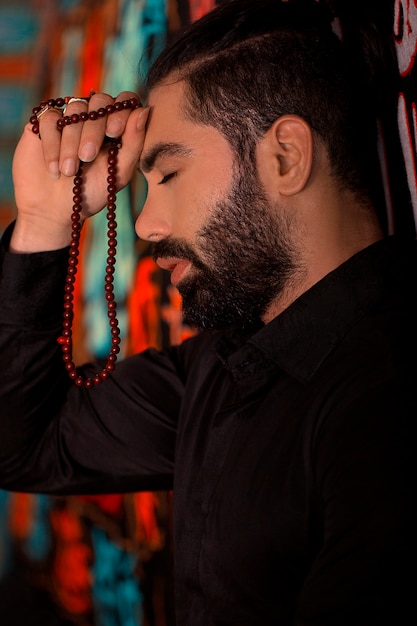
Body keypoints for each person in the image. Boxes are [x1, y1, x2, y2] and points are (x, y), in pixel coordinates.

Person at [0, 0, 414, 624]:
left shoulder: (388, 401)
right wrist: (40, 224)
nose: (146, 223)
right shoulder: (222, 368)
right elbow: (25, 444)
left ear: (285, 158)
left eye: (166, 173)